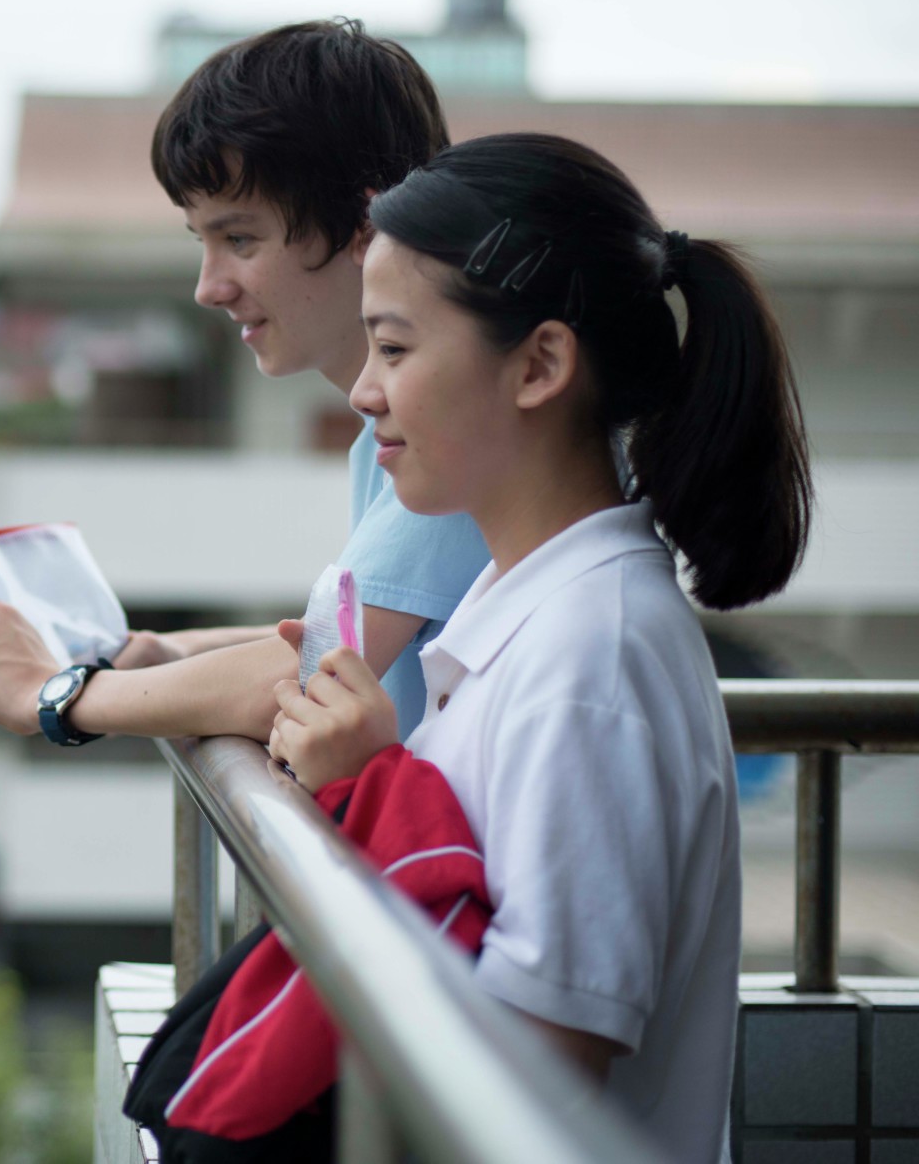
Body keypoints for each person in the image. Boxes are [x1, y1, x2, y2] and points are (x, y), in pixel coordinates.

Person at [268, 132, 812, 1161]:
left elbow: (532, 1074)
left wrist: (368, 790)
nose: (362, 392)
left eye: (393, 347)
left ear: (539, 364)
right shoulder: (529, 601)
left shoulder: (587, 659)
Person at [0, 20, 490, 743]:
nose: (209, 287)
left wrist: (50, 695)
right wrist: (174, 654)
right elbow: (328, 636)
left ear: (366, 224)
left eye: (240, 239)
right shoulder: (386, 428)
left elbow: (310, 675)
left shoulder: (456, 424)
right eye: (203, 241)